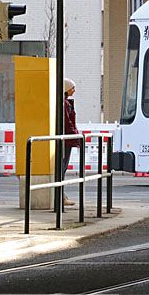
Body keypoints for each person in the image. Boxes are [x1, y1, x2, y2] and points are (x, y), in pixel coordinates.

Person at [62, 78, 82, 207]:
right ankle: (61, 197)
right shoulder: (65, 104)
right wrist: (76, 136)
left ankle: (62, 196)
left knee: (62, 168)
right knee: (62, 168)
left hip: (67, 139)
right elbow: (68, 123)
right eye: (72, 88)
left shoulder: (65, 103)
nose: (74, 91)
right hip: (66, 140)